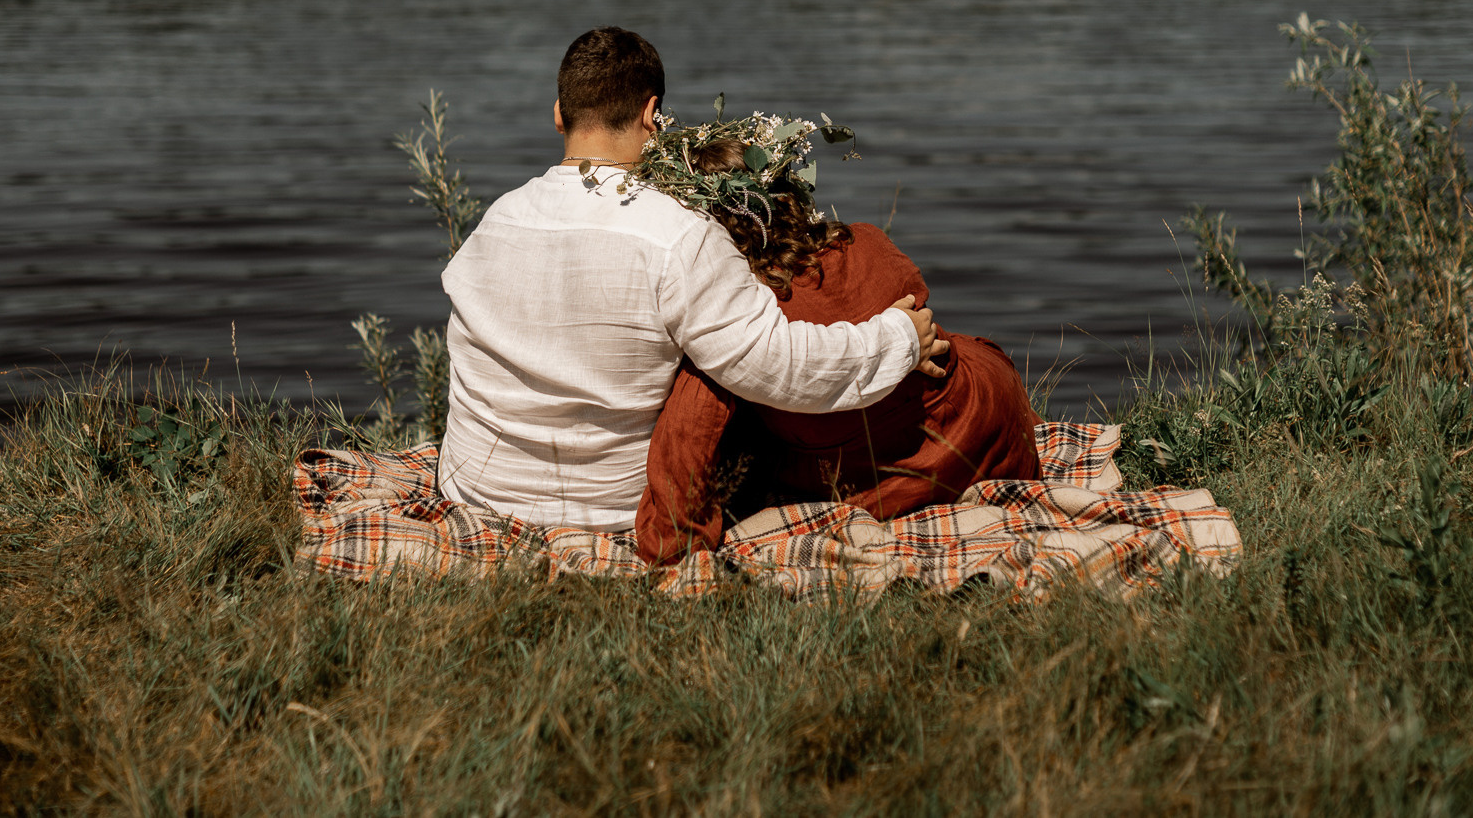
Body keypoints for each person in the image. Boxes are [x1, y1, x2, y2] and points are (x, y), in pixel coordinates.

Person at [435, 27, 950, 531]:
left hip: (475, 490)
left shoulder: (495, 221)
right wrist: (897, 338)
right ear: (651, 114)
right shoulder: (678, 234)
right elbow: (777, 365)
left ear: (558, 114)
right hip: (605, 511)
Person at [632, 130, 1043, 562]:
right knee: (960, 349)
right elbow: (914, 295)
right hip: (991, 427)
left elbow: (691, 431)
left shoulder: (743, 318)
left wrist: (672, 545)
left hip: (887, 484)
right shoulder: (864, 241)